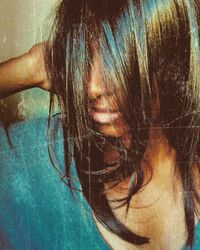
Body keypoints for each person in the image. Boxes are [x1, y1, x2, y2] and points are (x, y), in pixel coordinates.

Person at [0, 0, 200, 249]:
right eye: (84, 51)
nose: (92, 87)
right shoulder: (38, 157)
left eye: (116, 55)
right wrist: (32, 67)